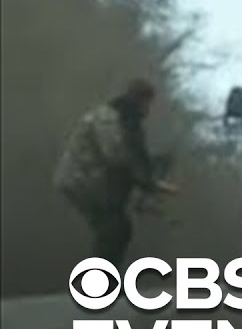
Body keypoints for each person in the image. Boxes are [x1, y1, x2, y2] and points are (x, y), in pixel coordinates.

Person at [53, 78, 179, 267]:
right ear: (140, 100)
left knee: (116, 228)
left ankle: (104, 280)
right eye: (148, 104)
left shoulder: (126, 120)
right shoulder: (109, 118)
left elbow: (129, 156)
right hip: (81, 181)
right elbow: (115, 156)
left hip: (91, 180)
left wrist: (148, 175)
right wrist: (147, 181)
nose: (148, 111)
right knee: (113, 228)